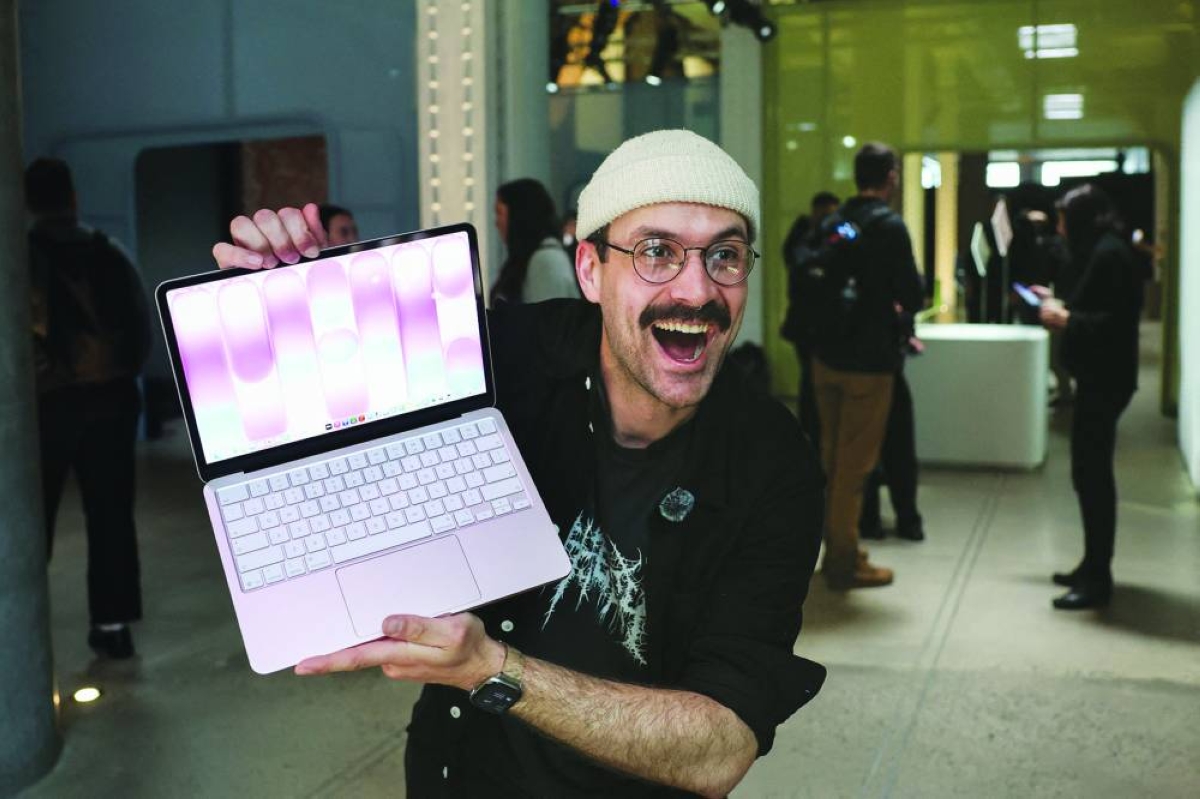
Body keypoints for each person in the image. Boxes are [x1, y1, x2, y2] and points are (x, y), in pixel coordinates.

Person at [212, 129, 826, 798]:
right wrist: (286, 295)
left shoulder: (773, 466)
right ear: (591, 269)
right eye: (656, 251)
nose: (696, 288)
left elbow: (720, 747)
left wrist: (490, 667)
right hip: (455, 777)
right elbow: (335, 411)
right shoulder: (516, 353)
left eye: (725, 255)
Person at [26, 158, 152, 659]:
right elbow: (141, 328)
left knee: (33, 519)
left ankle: (26, 632)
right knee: (111, 515)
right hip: (112, 400)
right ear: (73, 196)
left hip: (47, 406)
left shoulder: (22, 258)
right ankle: (112, 626)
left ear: (27, 201)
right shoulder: (109, 252)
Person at [809, 143, 924, 590]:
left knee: (831, 459)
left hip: (826, 358)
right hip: (869, 364)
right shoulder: (890, 227)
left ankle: (839, 547)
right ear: (890, 176)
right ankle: (842, 561)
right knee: (854, 469)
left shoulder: (838, 220)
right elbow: (912, 294)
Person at [1033, 184, 1143, 610]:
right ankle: (1092, 564)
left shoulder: (1109, 255)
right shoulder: (1104, 250)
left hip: (1105, 379)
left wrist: (1066, 318)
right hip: (1101, 378)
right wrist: (1062, 304)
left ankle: (1098, 576)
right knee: (1087, 475)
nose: (1059, 229)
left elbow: (1113, 324)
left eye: (1063, 219)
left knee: (1093, 478)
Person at [780, 191, 840, 445]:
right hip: (806, 324)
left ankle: (816, 430)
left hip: (821, 324)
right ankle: (809, 431)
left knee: (816, 381)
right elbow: (800, 264)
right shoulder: (803, 237)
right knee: (810, 381)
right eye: (826, 214)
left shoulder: (831, 237)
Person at [490, 178, 581, 305]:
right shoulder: (539, 258)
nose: (496, 222)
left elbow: (547, 323)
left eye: (500, 213)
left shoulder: (546, 260)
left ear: (518, 215)